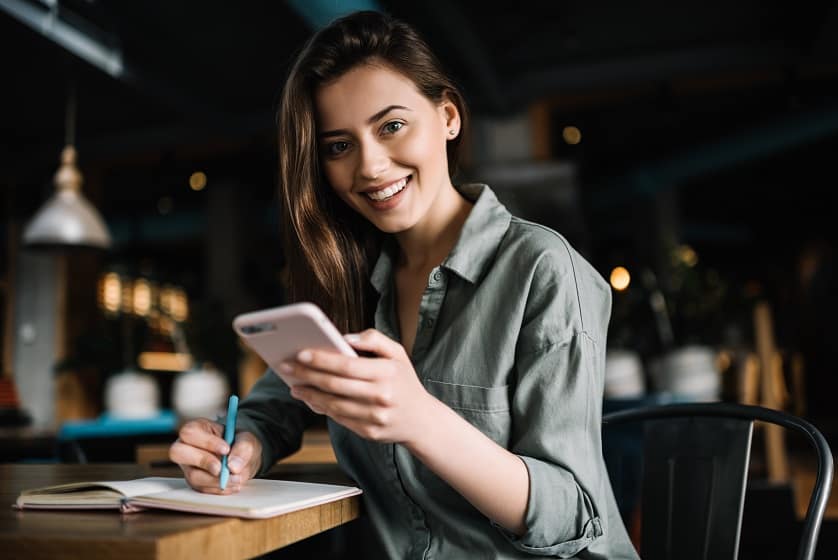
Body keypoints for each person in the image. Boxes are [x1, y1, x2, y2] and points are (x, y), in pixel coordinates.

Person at [169, 10, 638, 559]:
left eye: (392, 126)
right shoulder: (349, 283)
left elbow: (574, 513)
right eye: (339, 146)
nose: (369, 166)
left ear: (448, 118)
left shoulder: (543, 269)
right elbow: (277, 404)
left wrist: (421, 420)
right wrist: (239, 446)